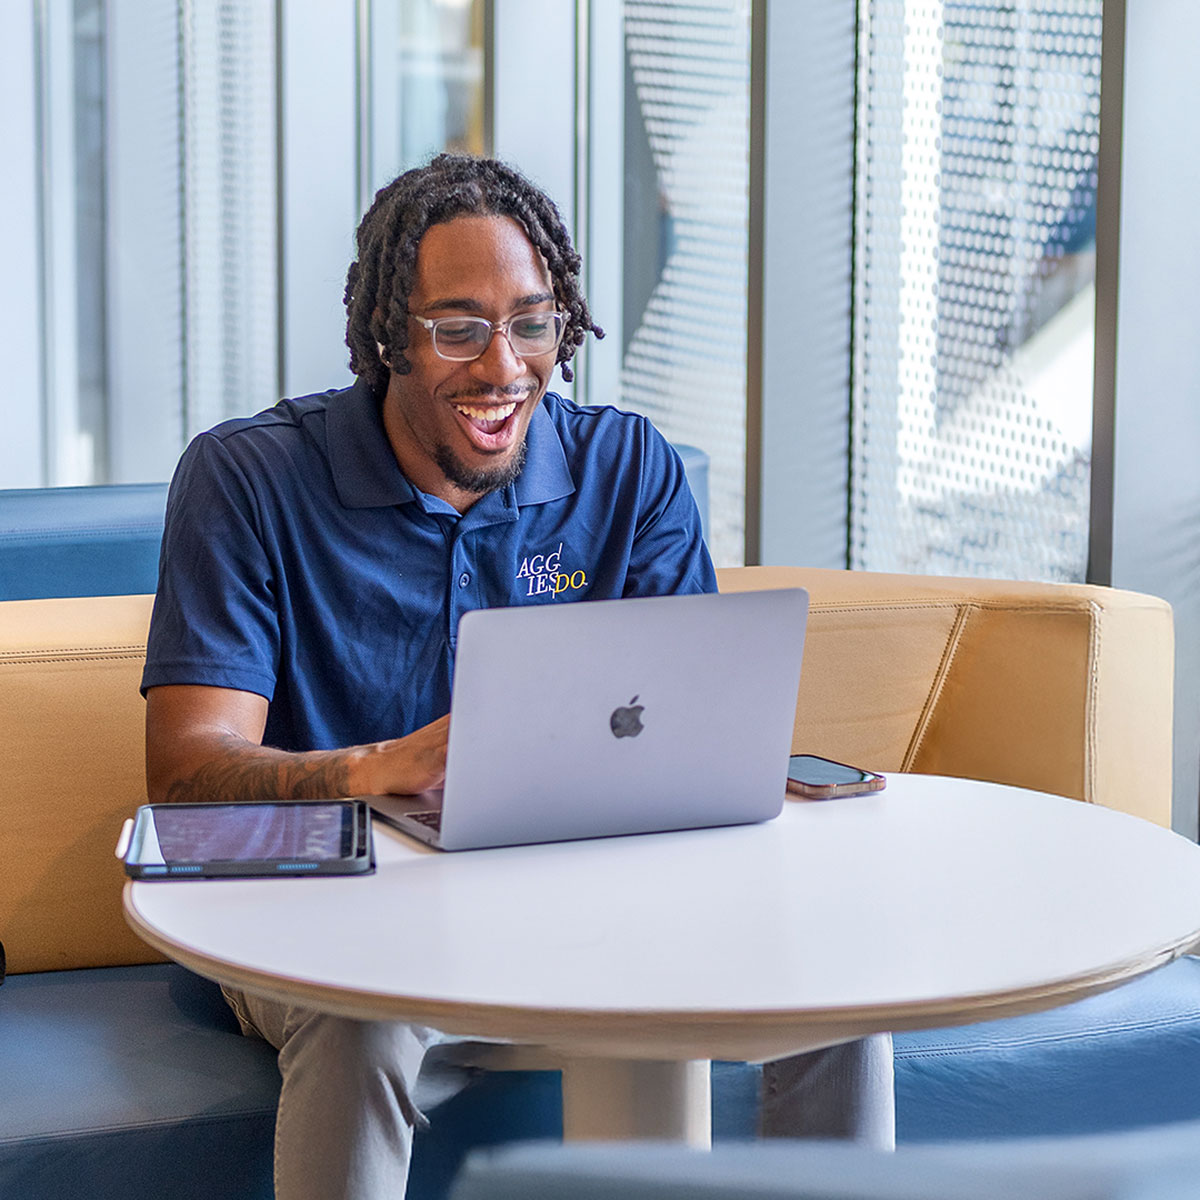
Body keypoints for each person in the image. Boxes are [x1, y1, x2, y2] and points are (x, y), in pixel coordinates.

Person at [141, 153, 891, 1200]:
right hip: (328, 918)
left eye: (532, 323)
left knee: (841, 991)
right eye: (458, 329)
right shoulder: (249, 479)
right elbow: (187, 772)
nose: (504, 367)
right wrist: (376, 769)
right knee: (367, 1009)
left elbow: (692, 729)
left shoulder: (628, 470)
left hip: (576, 911)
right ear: (386, 337)